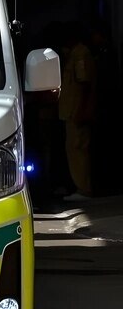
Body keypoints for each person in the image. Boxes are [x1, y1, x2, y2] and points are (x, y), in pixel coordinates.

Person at [58, 21, 97, 201]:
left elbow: (85, 85)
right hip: (71, 112)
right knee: (73, 150)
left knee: (78, 149)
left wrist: (82, 110)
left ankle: (83, 189)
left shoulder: (81, 54)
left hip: (76, 112)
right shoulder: (73, 54)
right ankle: (78, 186)